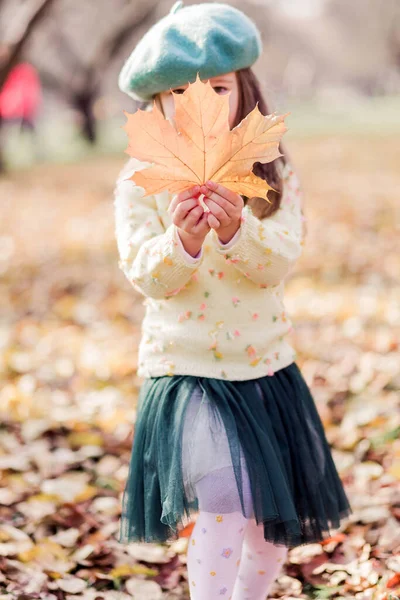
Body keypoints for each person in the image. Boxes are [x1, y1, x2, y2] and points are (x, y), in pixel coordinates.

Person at [114, 2, 353, 598]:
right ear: (156, 105)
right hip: (188, 368)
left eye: (218, 87)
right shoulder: (141, 177)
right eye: (176, 93)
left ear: (245, 88)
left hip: (263, 366)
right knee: (222, 505)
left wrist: (234, 231)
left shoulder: (271, 169)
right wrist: (184, 241)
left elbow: (279, 260)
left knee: (269, 531)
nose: (200, 104)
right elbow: (145, 273)